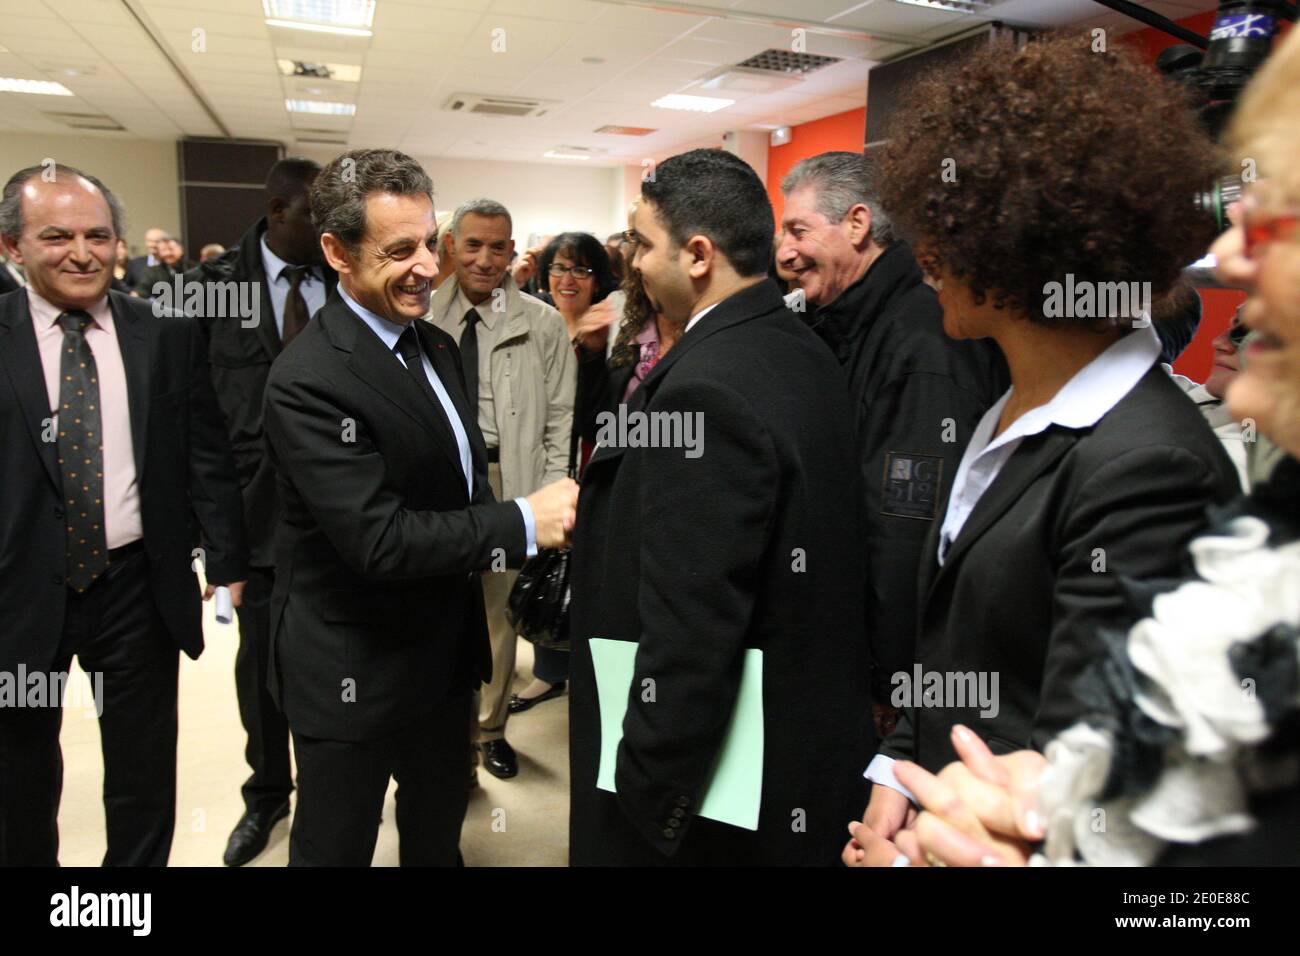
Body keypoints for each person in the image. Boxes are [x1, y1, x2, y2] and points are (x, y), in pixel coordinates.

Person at [885, 23, 1300, 869]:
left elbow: (1095, 760)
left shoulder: (1147, 462)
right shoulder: (1004, 409)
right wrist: (900, 775)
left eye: (1266, 225)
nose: (927, 259)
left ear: (1013, 245)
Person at [262, 150, 578, 865]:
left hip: (439, 661)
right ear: (337, 252)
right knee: (335, 846)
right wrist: (525, 521)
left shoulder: (433, 343)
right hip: (353, 669)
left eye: (428, 244)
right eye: (398, 250)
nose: (427, 269)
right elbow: (378, 540)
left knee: (437, 836)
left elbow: (451, 487)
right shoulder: (307, 380)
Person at [568, 148, 872, 865]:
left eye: (642, 244)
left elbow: (692, 625)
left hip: (719, 783)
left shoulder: (707, 387)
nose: (633, 263)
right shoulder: (800, 347)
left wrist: (646, 793)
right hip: (798, 738)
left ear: (698, 254)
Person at [0, 164, 248, 865]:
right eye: (57, 235)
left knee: (142, 776)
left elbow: (206, 445)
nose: (82, 252)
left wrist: (227, 559)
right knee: (19, 780)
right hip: (18, 590)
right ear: (12, 247)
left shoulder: (162, 329)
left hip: (136, 587)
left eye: (98, 235)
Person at [778, 152, 1008, 739]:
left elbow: (907, 529)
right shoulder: (846, 324)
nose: (783, 252)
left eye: (798, 230)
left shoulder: (922, 346)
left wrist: (890, 680)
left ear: (857, 225)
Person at [183, 157, 336, 866]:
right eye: (316, 215)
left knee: (341, 658)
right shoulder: (210, 293)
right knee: (262, 671)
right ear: (277, 212)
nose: (331, 228)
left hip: (341, 516)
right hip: (254, 522)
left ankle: (337, 789)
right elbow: (195, 428)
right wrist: (220, 548)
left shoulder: (346, 283)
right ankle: (268, 792)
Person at [426, 199, 575, 781]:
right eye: (473, 245)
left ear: (513, 252)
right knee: (440, 612)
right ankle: (445, 738)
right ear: (450, 249)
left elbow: (562, 418)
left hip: (509, 480)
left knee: (498, 615)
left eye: (498, 247)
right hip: (443, 482)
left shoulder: (540, 323)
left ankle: (489, 730)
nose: (486, 259)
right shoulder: (423, 314)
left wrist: (552, 499)